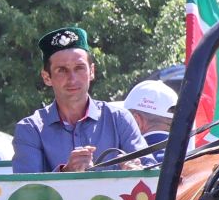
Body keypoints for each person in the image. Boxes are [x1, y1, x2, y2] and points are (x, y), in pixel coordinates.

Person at [13, 27, 147, 174]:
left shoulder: (120, 119)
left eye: (79, 68)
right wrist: (66, 172)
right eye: (62, 70)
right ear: (46, 77)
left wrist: (137, 171)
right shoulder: (30, 129)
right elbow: (27, 191)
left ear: (92, 71)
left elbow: (154, 177)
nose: (72, 79)